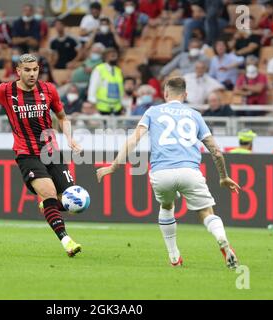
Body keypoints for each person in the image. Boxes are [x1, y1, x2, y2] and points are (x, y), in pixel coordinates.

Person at [0, 54, 83, 257]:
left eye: (35, 69)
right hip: (26, 154)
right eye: (27, 70)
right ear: (18, 71)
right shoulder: (6, 90)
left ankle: (47, 205)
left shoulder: (49, 90)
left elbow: (62, 117)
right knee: (48, 192)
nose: (32, 74)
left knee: (73, 201)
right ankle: (66, 240)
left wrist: (70, 138)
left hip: (52, 152)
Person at [97, 77, 240, 269]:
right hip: (190, 171)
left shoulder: (153, 111)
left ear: (165, 93)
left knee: (166, 205)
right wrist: (223, 176)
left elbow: (133, 140)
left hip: (161, 173)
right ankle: (221, 239)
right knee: (206, 212)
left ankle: (174, 256)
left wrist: (114, 165)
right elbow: (215, 150)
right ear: (186, 95)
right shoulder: (195, 115)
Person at [87, 48, 124, 115]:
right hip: (101, 107)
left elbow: (120, 89)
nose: (114, 58)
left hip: (117, 108)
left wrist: (121, 104)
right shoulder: (99, 69)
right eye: (112, 56)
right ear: (105, 57)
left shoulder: (118, 70)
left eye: (115, 56)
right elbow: (93, 86)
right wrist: (92, 103)